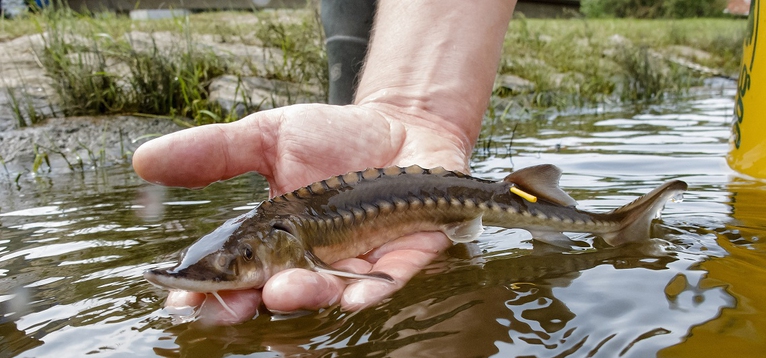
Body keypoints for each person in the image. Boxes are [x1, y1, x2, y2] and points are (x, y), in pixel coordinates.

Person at [132, 0, 519, 323]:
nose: (233, 267)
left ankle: (537, 205)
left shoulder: (292, 234)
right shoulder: (284, 233)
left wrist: (421, 113)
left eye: (245, 257)